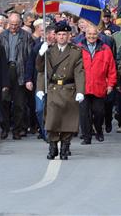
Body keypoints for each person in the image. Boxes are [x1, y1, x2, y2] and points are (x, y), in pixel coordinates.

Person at [36, 24, 85, 160]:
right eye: (59, 35)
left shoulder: (75, 52)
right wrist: (41, 54)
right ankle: (52, 147)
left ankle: (65, 147)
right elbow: (41, 70)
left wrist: (81, 90)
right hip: (53, 90)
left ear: (69, 36)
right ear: (55, 36)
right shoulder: (49, 51)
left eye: (64, 34)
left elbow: (79, 72)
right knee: (52, 121)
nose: (61, 37)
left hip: (69, 89)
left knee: (67, 121)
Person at [0, 12, 35, 139]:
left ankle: (17, 130)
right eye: (11, 24)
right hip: (5, 71)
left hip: (20, 71)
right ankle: (5, 128)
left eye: (16, 24)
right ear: (8, 23)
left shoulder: (26, 37)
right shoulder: (2, 37)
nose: (13, 27)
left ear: (20, 23)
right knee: (4, 102)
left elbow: (30, 58)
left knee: (19, 104)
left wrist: (28, 77)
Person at [77, 24, 117, 144]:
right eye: (89, 34)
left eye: (94, 34)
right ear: (85, 34)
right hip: (83, 86)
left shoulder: (105, 49)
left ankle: (99, 130)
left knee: (99, 112)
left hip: (99, 86)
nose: (92, 36)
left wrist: (111, 84)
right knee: (84, 114)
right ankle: (86, 136)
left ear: (98, 35)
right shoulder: (78, 48)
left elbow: (111, 68)